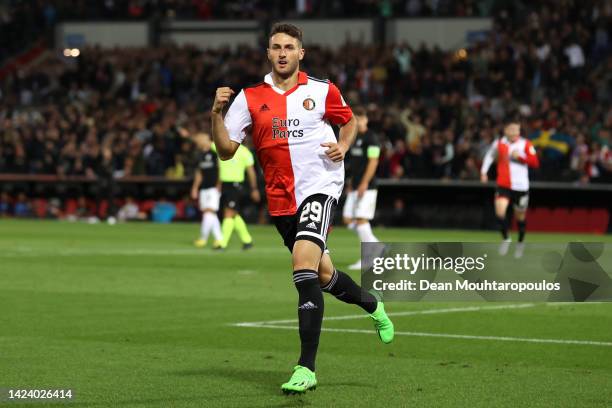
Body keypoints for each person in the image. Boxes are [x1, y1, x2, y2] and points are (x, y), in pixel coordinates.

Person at [211, 22, 394, 395]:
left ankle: (305, 368)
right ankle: (373, 304)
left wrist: (343, 146)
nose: (282, 52)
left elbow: (349, 122)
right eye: (276, 46)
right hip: (281, 199)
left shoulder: (322, 90)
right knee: (323, 276)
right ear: (268, 53)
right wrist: (215, 113)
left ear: (300, 53)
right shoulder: (249, 98)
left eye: (289, 47)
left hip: (321, 187)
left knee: (302, 268)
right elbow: (226, 150)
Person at [481, 118, 540, 258]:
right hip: (504, 185)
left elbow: (535, 163)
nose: (515, 132)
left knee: (520, 217)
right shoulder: (499, 143)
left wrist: (520, 157)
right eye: (512, 129)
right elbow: (490, 156)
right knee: (500, 213)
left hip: (520, 187)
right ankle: (506, 238)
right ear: (506, 131)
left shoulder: (525, 144)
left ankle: (520, 242)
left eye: (517, 129)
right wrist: (484, 172)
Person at [342, 106, 381, 270]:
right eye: (355, 118)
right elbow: (355, 164)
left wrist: (365, 182)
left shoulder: (372, 138)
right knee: (347, 218)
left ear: (366, 119)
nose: (358, 121)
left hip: (367, 186)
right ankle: (378, 247)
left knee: (360, 220)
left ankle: (368, 258)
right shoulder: (355, 137)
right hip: (355, 185)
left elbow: (373, 161)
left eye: (360, 118)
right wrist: (352, 183)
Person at [215, 142, 260, 250]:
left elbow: (251, 172)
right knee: (234, 213)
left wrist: (254, 189)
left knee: (228, 213)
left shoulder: (244, 152)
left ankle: (222, 243)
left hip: (235, 185)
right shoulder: (223, 146)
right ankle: (247, 240)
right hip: (225, 185)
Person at [191, 132, 223, 249]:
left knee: (208, 212)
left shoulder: (215, 152)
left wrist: (219, 184)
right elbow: (199, 173)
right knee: (210, 213)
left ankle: (203, 239)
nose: (197, 142)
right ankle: (219, 239)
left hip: (213, 187)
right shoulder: (199, 155)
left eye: (199, 139)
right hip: (204, 187)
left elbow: (221, 168)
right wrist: (195, 187)